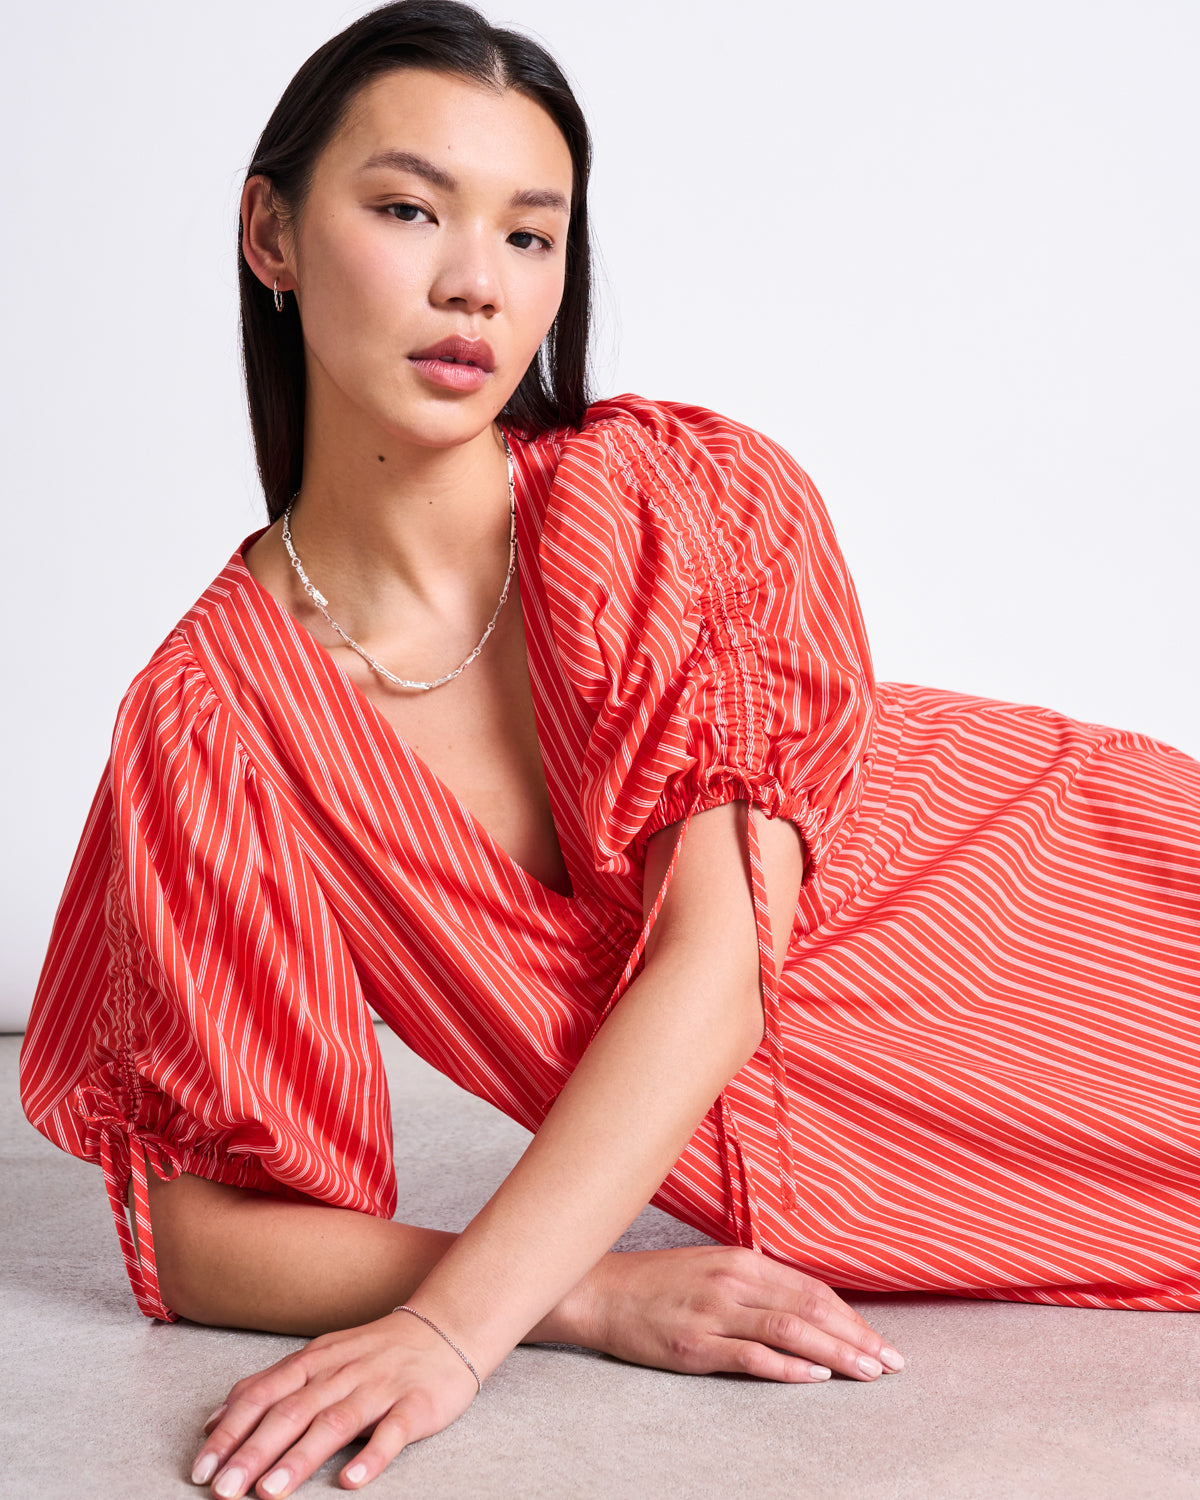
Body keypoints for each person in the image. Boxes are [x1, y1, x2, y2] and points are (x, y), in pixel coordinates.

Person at [19, 2, 1199, 1496]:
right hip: (955, 1172)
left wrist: (457, 1331)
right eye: (404, 208)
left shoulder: (661, 500)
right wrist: (587, 1293)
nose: (474, 284)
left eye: (530, 236)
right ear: (271, 233)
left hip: (1101, 919)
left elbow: (717, 967)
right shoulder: (212, 720)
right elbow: (197, 1240)